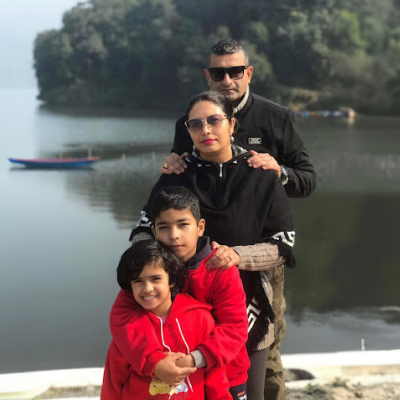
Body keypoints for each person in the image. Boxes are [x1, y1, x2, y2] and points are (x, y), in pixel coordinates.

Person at [162, 39, 312, 400]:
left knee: (265, 351)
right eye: (218, 73)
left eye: (235, 71)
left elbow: (307, 180)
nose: (227, 79)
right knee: (202, 345)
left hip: (258, 258)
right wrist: (172, 163)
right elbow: (182, 175)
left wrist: (280, 172)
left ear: (249, 73)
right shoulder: (190, 120)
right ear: (208, 76)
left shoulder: (276, 118)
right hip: (202, 263)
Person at [123, 91, 296, 400]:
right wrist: (154, 266)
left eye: (214, 121)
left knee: (247, 393)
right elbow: (143, 230)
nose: (205, 130)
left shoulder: (260, 175)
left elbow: (283, 243)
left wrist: (237, 255)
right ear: (187, 130)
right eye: (195, 124)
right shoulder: (177, 175)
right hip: (178, 311)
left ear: (232, 125)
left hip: (247, 310)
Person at [111, 186, 250, 400]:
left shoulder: (220, 268)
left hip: (226, 373)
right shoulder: (146, 267)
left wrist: (194, 360)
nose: (174, 235)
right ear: (154, 232)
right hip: (163, 375)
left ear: (200, 227)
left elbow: (235, 328)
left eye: (183, 225)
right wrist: (154, 362)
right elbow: (122, 318)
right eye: (164, 227)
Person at [101, 239, 232, 400]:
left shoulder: (201, 319)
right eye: (138, 281)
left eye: (155, 279)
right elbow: (113, 382)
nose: (147, 288)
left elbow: (216, 377)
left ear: (172, 280)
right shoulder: (128, 329)